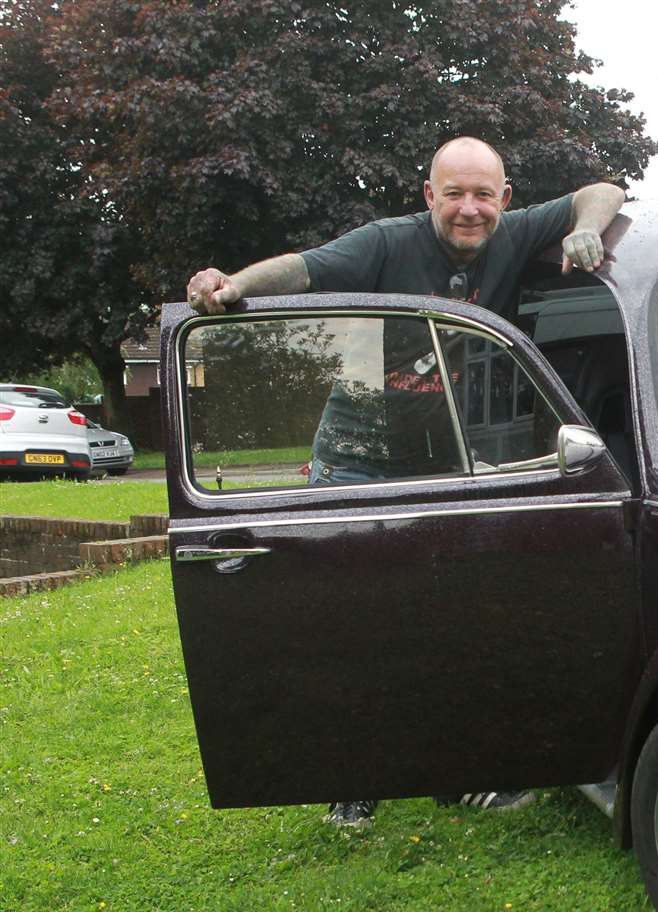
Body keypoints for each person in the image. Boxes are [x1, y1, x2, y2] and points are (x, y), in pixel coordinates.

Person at [187, 136, 625, 829]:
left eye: (484, 194)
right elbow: (302, 271)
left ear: (505, 200)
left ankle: (455, 769)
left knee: (447, 621)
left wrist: (583, 229)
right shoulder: (385, 244)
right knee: (355, 623)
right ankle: (356, 779)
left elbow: (602, 191)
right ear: (430, 197)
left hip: (442, 461)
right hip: (355, 456)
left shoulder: (514, 234)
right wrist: (232, 286)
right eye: (454, 193)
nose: (470, 209)